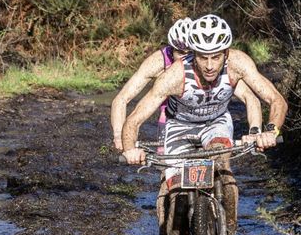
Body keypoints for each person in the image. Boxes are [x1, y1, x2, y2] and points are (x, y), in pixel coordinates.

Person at [119, 15, 287, 235]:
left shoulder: (239, 64)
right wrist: (131, 148)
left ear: (226, 53)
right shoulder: (174, 76)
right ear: (192, 54)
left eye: (216, 56)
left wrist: (270, 131)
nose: (209, 65)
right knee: (175, 195)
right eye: (202, 57)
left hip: (216, 123)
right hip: (179, 128)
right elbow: (134, 119)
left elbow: (276, 100)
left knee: (223, 167)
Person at [110, 18, 264, 151]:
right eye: (181, 53)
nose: (187, 58)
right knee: (168, 165)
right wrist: (119, 137)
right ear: (171, 50)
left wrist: (255, 131)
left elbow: (248, 96)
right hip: (172, 116)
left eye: (192, 53)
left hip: (208, 115)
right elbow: (122, 99)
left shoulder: (208, 63)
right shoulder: (157, 62)